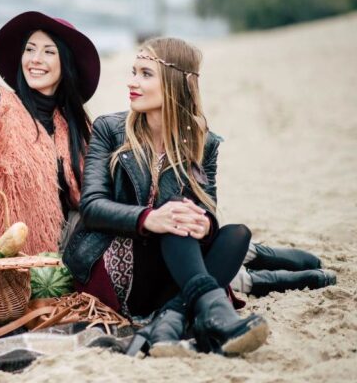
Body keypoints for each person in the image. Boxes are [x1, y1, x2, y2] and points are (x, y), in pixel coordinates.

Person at [62, 37, 269, 357]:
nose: (132, 82)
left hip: (172, 264)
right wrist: (150, 218)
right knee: (175, 220)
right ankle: (212, 319)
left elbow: (206, 206)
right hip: (116, 261)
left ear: (174, 83)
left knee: (234, 234)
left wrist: (205, 226)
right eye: (133, 72)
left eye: (145, 74)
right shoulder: (110, 129)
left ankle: (169, 320)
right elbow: (92, 207)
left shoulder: (204, 143)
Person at [0, 11, 99, 254]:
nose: (35, 59)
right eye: (30, 50)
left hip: (67, 253)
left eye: (49, 52)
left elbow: (89, 195)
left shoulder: (75, 124)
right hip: (8, 253)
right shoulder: (2, 105)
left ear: (66, 63)